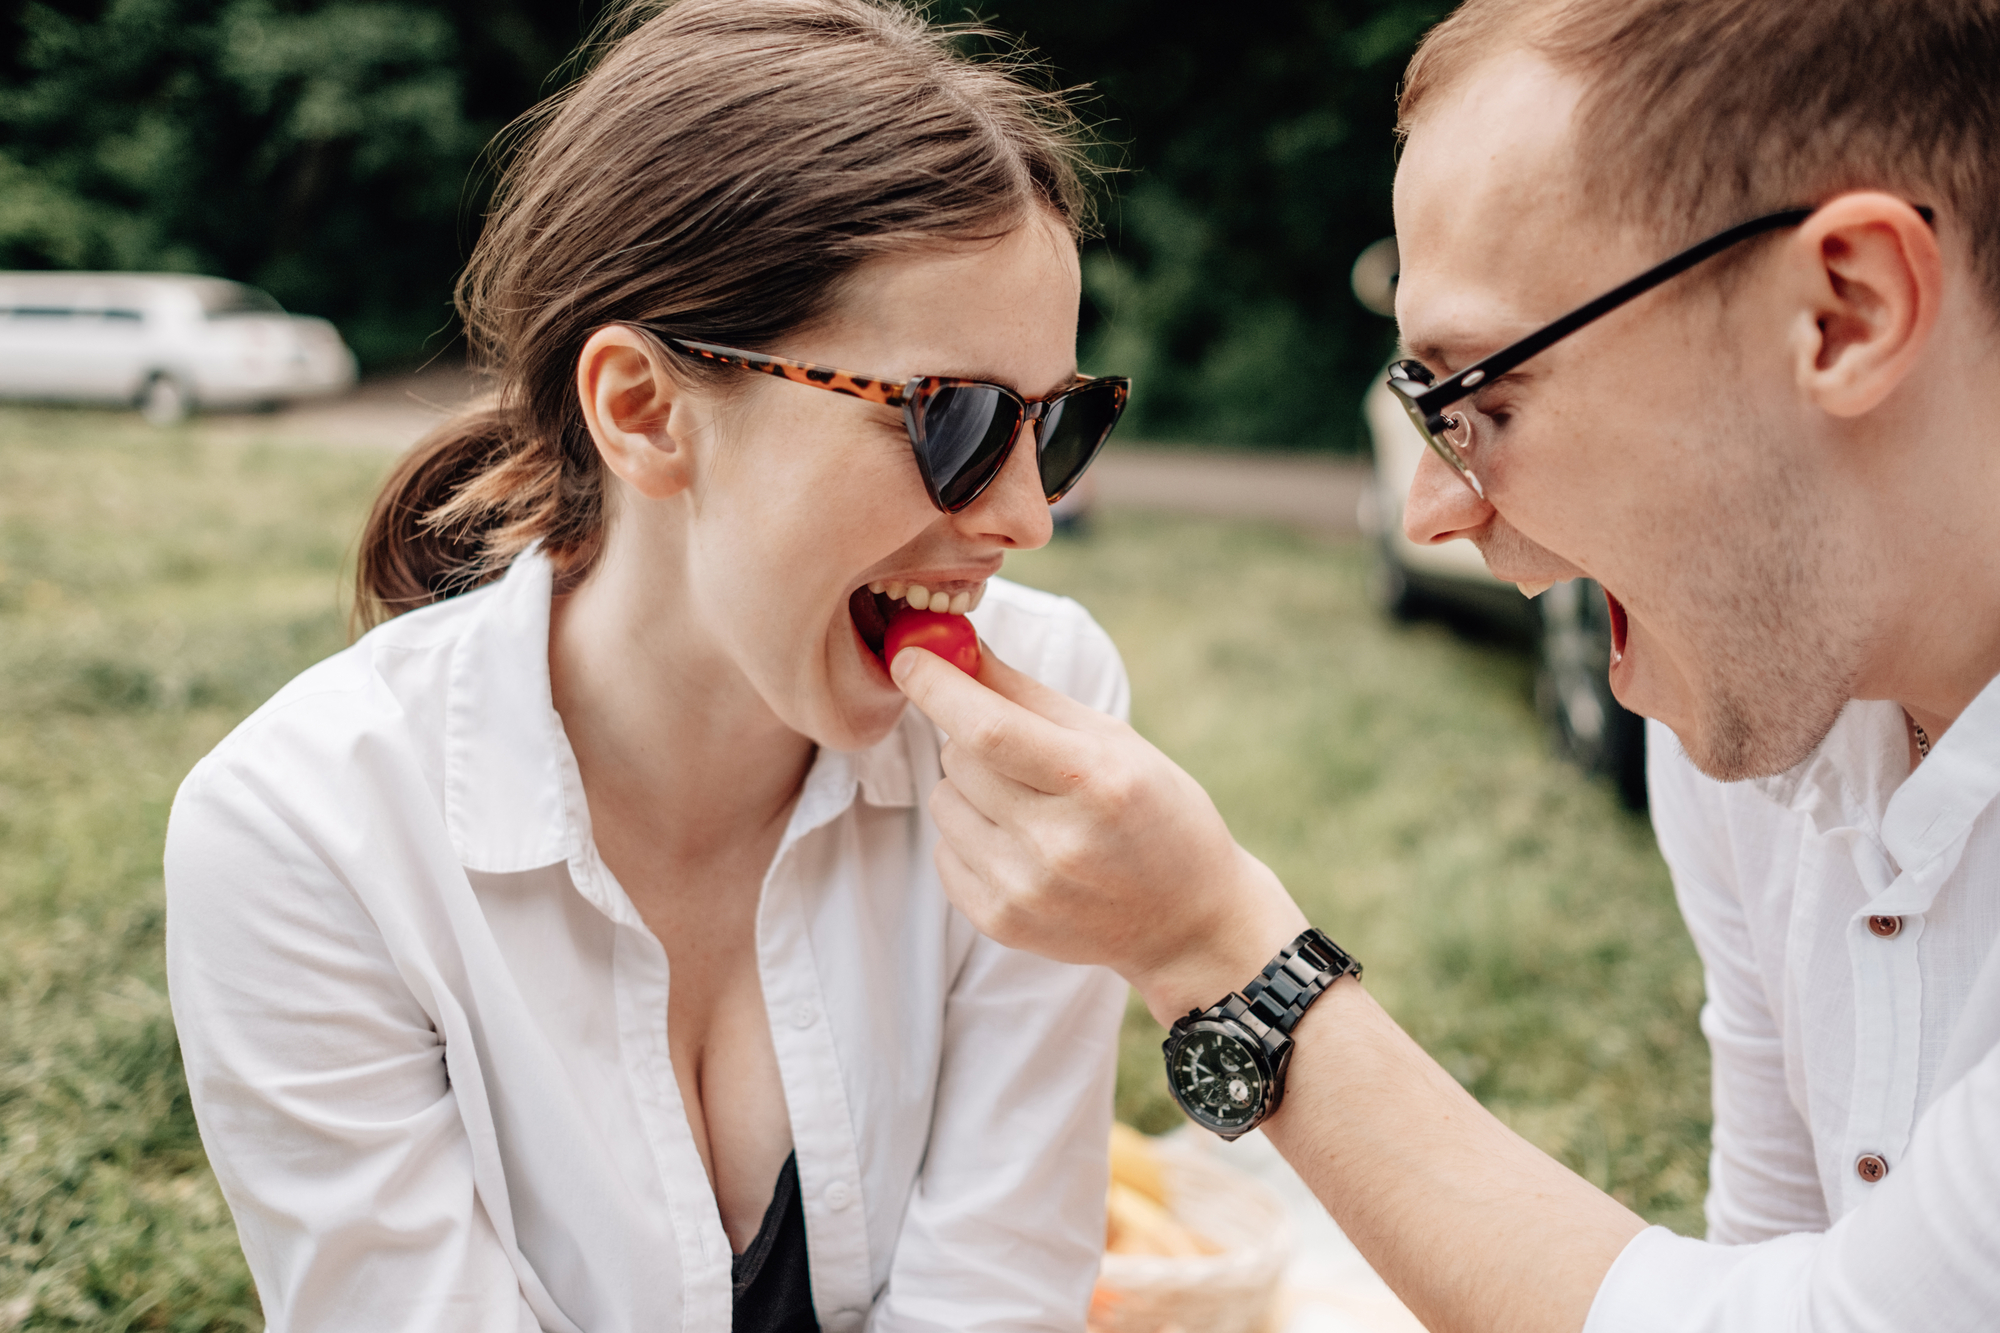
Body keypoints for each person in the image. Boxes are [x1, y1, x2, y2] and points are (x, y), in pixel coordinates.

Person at [887, 0, 2000, 1330]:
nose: (1431, 512)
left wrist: (1219, 944)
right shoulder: (1774, 730)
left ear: (1843, 311)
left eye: (1482, 398)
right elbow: (1759, 1255)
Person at [162, 2, 1136, 1329]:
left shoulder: (1046, 711)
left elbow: (997, 1294)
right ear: (641, 409)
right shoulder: (302, 832)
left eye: (1057, 424)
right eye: (953, 418)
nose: (1027, 514)